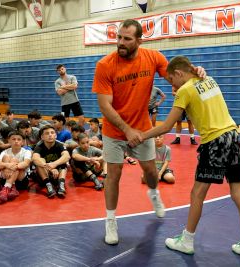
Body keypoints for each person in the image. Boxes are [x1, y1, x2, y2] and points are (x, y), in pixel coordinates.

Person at [92, 19, 205, 245]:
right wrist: (126, 129)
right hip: (114, 131)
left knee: (151, 172)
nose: (120, 43)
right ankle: (111, 220)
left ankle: (154, 194)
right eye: (119, 37)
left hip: (142, 127)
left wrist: (195, 74)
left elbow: (176, 78)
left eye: (127, 39)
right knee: (113, 175)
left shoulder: (153, 58)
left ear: (139, 40)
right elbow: (105, 105)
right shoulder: (105, 65)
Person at [134, 55, 240, 261]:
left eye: (171, 80)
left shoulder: (185, 90)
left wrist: (141, 136)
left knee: (197, 193)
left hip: (214, 142)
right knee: (238, 191)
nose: (172, 86)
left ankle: (187, 241)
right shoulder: (208, 79)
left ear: (179, 74)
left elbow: (166, 126)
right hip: (232, 136)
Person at [32, 125, 70, 198]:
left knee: (63, 162)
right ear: (42, 137)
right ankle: (48, 186)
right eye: (47, 133)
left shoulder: (60, 145)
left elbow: (67, 156)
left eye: (52, 133)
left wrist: (54, 164)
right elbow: (35, 158)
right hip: (44, 175)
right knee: (40, 162)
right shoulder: (39, 146)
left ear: (55, 135)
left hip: (57, 173)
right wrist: (50, 168)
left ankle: (61, 185)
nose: (50, 135)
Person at [0, 131, 32, 204]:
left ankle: (6, 188)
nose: (16, 141)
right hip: (5, 177)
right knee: (6, 157)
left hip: (21, 181)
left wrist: (12, 166)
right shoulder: (4, 152)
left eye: (19, 139)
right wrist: (7, 165)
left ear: (22, 142)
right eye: (13, 139)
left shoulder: (26, 152)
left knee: (15, 160)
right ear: (9, 140)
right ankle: (11, 187)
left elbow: (26, 163)